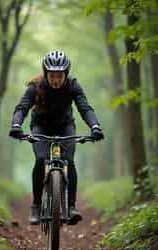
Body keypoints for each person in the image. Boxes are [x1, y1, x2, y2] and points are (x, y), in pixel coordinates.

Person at [9, 49, 104, 225]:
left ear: (66, 75)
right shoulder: (35, 86)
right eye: (52, 76)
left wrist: (95, 126)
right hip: (40, 126)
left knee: (69, 159)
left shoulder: (73, 85)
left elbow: (85, 108)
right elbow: (22, 108)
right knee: (41, 159)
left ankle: (72, 206)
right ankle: (36, 205)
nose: (55, 80)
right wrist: (16, 125)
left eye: (59, 76)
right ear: (46, 74)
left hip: (65, 126)